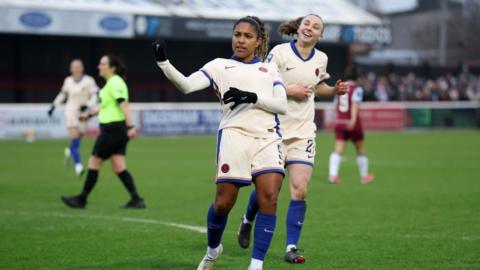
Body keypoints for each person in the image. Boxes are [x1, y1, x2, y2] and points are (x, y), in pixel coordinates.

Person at [152, 15, 287, 270]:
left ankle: (256, 265)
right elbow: (187, 86)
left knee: (269, 196)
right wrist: (164, 63)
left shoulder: (269, 69)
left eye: (248, 36)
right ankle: (213, 250)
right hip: (233, 135)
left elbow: (282, 105)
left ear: (258, 41)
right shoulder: (219, 66)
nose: (241, 40)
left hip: (267, 137)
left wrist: (252, 96)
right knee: (224, 202)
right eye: (237, 35)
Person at [236, 14, 348, 264]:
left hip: (304, 132)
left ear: (320, 35)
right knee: (270, 191)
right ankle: (247, 220)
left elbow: (317, 88)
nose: (310, 28)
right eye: (307, 24)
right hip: (274, 130)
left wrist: (333, 90)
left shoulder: (321, 58)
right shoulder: (280, 52)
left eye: (316, 27)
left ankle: (291, 247)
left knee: (300, 189)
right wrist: (289, 90)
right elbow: (263, 83)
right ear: (299, 28)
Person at [61, 55, 145, 209]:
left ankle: (82, 199)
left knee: (94, 162)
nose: (99, 66)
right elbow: (106, 106)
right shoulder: (109, 84)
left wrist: (131, 127)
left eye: (103, 64)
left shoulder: (116, 82)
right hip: (116, 130)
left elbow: (124, 105)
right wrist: (90, 115)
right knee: (119, 166)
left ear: (112, 67)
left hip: (113, 130)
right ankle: (136, 199)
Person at [48, 59, 98, 176]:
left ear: (82, 68)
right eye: (74, 67)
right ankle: (78, 166)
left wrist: (88, 105)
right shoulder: (68, 81)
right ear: (71, 69)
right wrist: (54, 105)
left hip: (83, 113)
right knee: (74, 135)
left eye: (78, 66)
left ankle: (70, 151)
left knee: (78, 137)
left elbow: (95, 95)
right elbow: (63, 94)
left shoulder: (89, 80)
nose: (76, 69)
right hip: (71, 111)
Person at [328, 66, 374, 184]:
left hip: (340, 121)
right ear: (357, 76)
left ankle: (333, 175)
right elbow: (354, 104)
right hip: (352, 122)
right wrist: (353, 120)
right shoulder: (357, 89)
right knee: (360, 149)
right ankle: (364, 177)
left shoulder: (341, 87)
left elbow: (335, 105)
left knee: (338, 150)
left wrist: (337, 118)